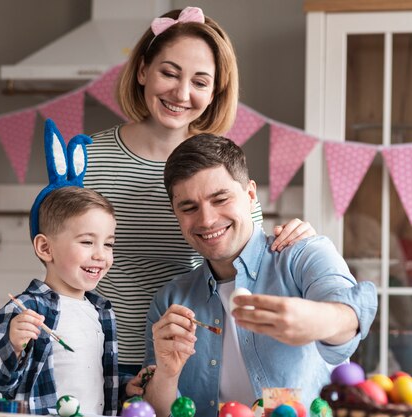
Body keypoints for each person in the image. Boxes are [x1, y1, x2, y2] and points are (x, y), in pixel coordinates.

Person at [84, 6, 315, 376]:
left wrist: (297, 241)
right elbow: (58, 256)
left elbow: (252, 263)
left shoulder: (218, 168)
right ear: (143, 70)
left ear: (215, 92)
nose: (181, 92)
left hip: (192, 360)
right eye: (169, 73)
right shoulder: (87, 157)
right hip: (98, 356)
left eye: (200, 81)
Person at [142, 134, 378, 417]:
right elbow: (155, 412)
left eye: (220, 199)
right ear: (175, 214)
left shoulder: (302, 255)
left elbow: (352, 310)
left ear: (251, 195)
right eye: (189, 207)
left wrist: (315, 320)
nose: (206, 220)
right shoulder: (170, 301)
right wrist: (166, 375)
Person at [0, 121, 147, 415]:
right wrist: (13, 345)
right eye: (87, 242)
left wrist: (126, 387)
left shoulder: (101, 311)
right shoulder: (26, 309)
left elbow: (93, 378)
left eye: (108, 244)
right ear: (45, 248)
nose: (101, 255)